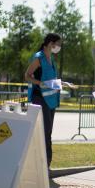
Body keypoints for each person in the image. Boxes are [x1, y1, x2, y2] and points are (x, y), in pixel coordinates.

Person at [25, 33, 62, 168]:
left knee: (48, 132)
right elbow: (27, 76)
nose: (59, 47)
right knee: (44, 132)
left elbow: (51, 80)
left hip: (51, 100)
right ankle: (43, 164)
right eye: (58, 44)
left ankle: (46, 164)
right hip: (40, 98)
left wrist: (61, 84)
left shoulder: (51, 58)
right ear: (51, 43)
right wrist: (40, 83)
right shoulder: (38, 57)